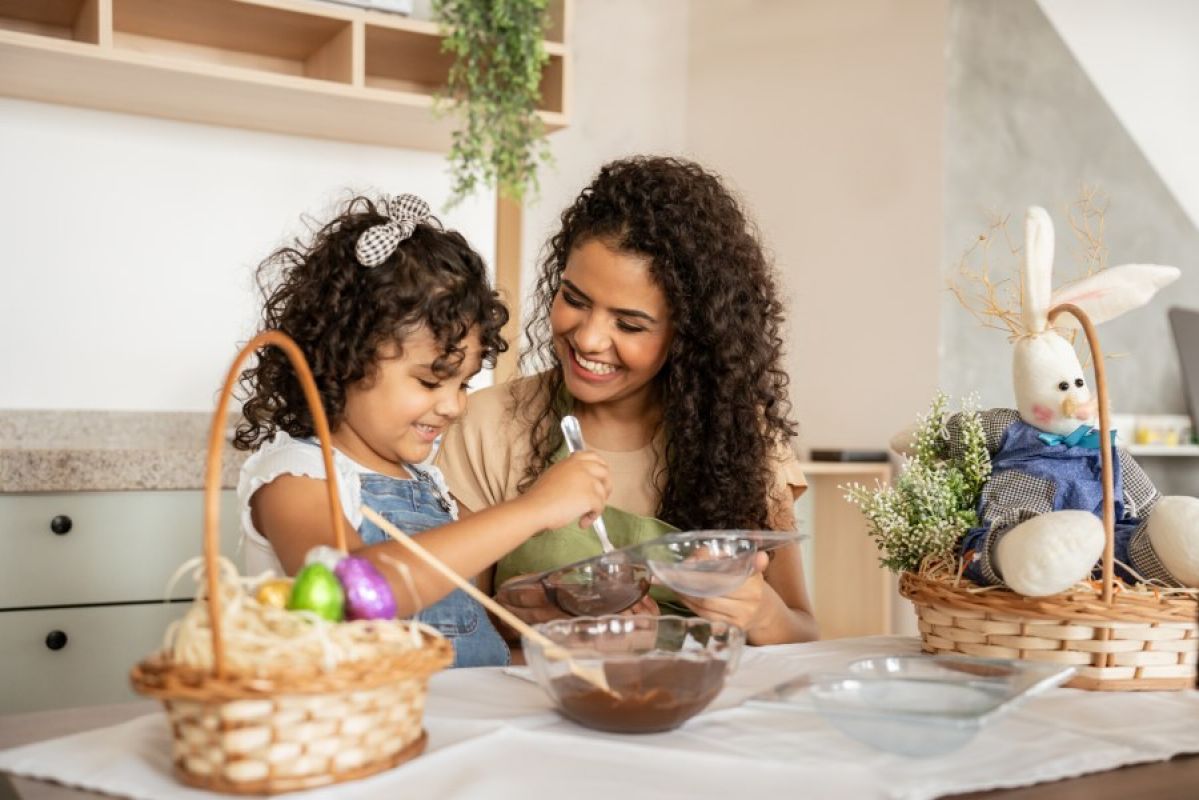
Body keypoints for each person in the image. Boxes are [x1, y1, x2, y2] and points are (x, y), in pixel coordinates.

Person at [437, 157, 818, 644]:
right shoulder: (487, 426)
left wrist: (760, 612)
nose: (590, 338)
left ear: (688, 335)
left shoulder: (744, 439)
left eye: (630, 324)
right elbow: (452, 632)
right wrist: (525, 623)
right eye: (574, 298)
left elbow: (805, 636)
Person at [233, 193, 611, 667]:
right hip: (368, 729)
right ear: (343, 358)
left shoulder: (428, 484)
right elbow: (354, 595)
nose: (454, 406)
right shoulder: (297, 477)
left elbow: (459, 637)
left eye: (464, 382)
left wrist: (537, 629)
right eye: (431, 379)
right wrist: (533, 509)